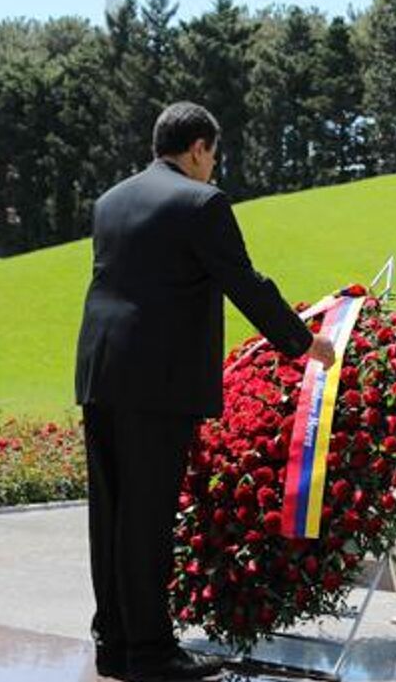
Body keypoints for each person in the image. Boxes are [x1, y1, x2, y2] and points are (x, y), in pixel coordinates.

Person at [75, 102, 337, 681]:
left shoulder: (111, 201)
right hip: (157, 382)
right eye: (213, 154)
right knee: (147, 517)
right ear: (197, 148)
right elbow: (243, 281)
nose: (214, 167)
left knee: (111, 515)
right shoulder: (202, 203)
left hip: (100, 375)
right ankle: (151, 652)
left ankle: (113, 643)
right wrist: (302, 343)